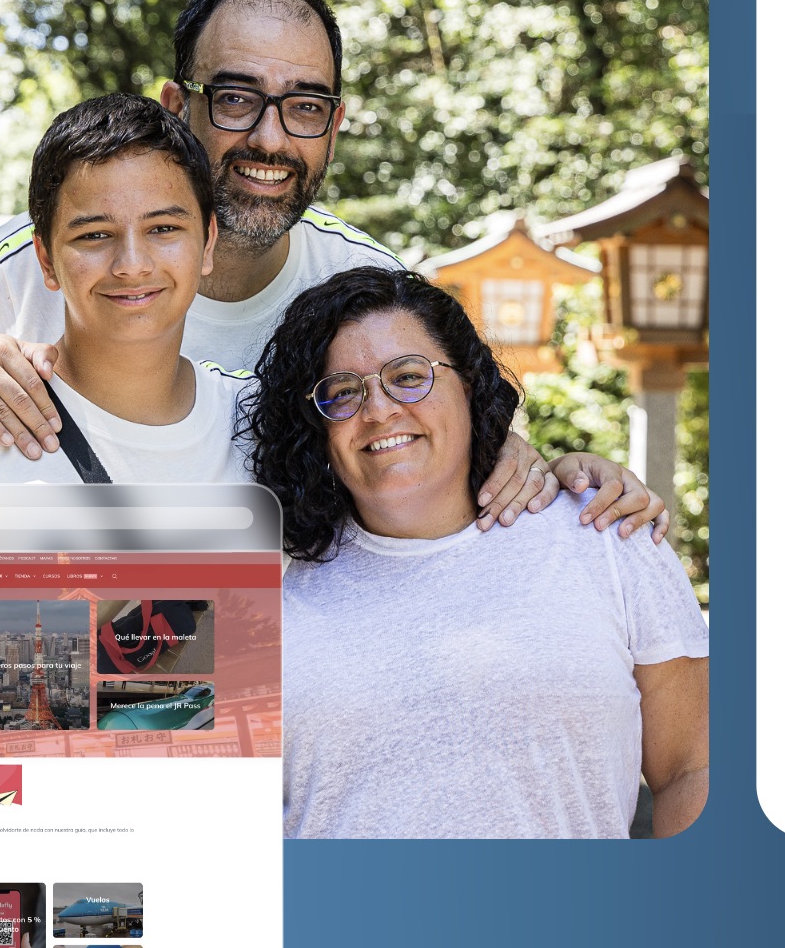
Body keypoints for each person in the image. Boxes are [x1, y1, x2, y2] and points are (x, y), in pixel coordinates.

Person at [0, 0, 660, 532]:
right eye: (236, 99)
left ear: (335, 125)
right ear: (175, 104)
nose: (269, 139)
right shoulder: (30, 258)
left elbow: (479, 462)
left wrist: (568, 477)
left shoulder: (365, 290)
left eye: (304, 107)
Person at [251, 268, 709, 839]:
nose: (379, 410)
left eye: (408, 376)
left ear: (468, 383)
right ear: (316, 427)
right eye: (343, 392)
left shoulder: (606, 533)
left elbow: (693, 765)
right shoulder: (270, 587)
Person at [0, 93, 248, 484]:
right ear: (46, 259)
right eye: (95, 235)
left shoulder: (258, 426)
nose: (131, 264)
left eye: (163, 229)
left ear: (208, 242)